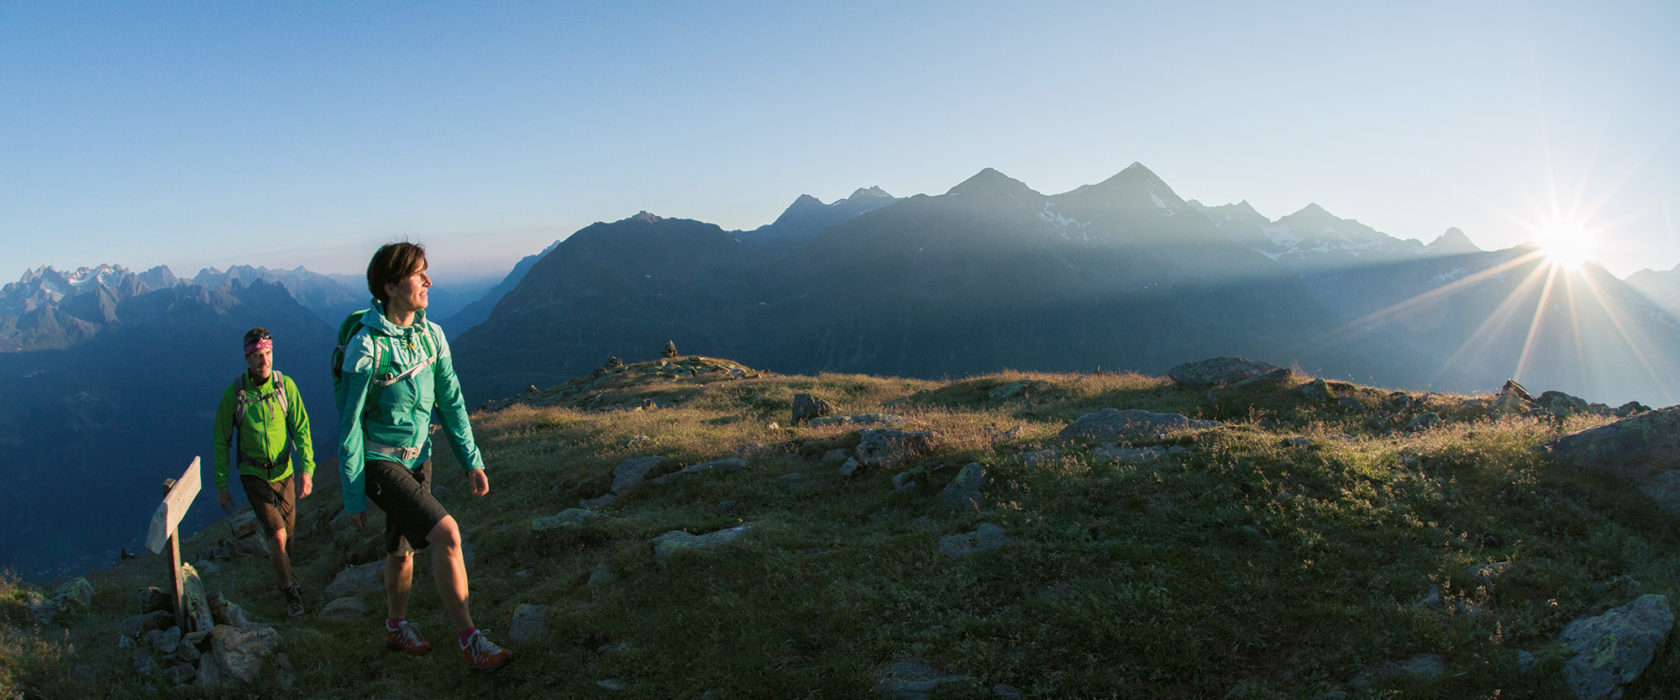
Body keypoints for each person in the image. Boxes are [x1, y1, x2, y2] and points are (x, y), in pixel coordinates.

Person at [337, 242, 513, 672]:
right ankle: (471, 640)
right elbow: (349, 425)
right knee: (448, 534)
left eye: (426, 272)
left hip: (420, 457)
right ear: (391, 286)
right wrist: (353, 492)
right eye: (419, 274)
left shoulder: (432, 336)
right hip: (381, 461)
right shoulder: (366, 348)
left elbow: (451, 402)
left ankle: (395, 627)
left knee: (402, 551)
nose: (428, 281)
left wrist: (472, 459)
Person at [212, 327, 316, 617]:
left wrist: (307, 468)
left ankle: (287, 577)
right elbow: (221, 440)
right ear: (247, 359)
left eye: (268, 354)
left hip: (285, 472)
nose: (264, 361)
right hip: (254, 476)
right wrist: (222, 484)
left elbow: (301, 428)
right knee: (279, 536)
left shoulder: (285, 387)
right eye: (257, 356)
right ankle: (290, 594)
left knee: (289, 538)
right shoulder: (235, 394)